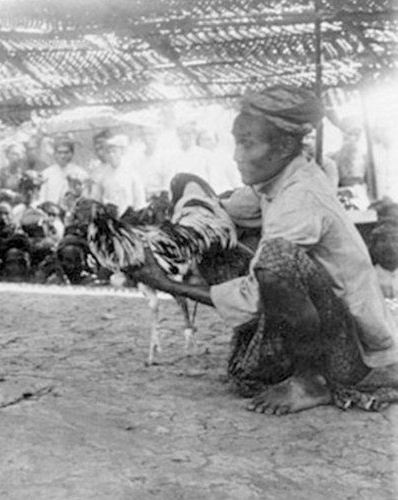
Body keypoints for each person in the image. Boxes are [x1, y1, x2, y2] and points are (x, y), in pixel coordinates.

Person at [130, 85, 398, 415]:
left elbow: (253, 294)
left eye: (247, 143)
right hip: (330, 325)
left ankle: (312, 380)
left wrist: (168, 284)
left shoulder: (300, 198)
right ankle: (293, 364)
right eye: (236, 141)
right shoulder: (277, 180)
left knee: (275, 261)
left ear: (284, 146)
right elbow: (227, 209)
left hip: (355, 350)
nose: (236, 155)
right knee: (220, 241)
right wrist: (175, 224)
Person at [86, 130, 145, 215]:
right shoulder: (103, 174)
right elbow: (96, 198)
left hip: (129, 216)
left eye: (114, 151)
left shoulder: (131, 172)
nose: (111, 155)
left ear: (122, 152)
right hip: (109, 216)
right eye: (108, 152)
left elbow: (139, 200)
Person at [38, 138, 88, 206]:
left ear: (72, 154)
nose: (63, 156)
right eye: (59, 153)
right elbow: (41, 198)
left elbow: (85, 197)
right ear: (55, 154)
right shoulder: (46, 174)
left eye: (66, 153)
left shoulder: (81, 173)